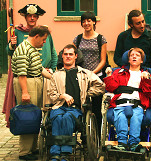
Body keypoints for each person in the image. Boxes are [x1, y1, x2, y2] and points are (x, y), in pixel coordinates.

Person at [3, 4, 58, 127]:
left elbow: (53, 53)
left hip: (43, 74)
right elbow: (10, 52)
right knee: (29, 111)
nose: (32, 18)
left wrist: (53, 70)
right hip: (27, 78)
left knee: (42, 107)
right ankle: (28, 134)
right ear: (25, 17)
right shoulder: (18, 31)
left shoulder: (44, 32)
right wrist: (12, 45)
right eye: (29, 16)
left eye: (34, 16)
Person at [48, 44, 105, 161]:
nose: (68, 56)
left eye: (70, 54)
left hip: (75, 109)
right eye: (65, 54)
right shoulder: (55, 75)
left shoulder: (85, 73)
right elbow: (51, 95)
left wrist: (87, 93)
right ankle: (55, 153)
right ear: (62, 57)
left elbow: (101, 86)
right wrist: (62, 96)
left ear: (75, 56)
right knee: (58, 117)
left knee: (68, 117)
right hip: (59, 106)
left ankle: (65, 152)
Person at [104, 48, 151, 152]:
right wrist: (109, 76)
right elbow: (111, 88)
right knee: (120, 117)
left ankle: (133, 143)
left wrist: (147, 79)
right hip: (120, 103)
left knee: (136, 117)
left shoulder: (146, 74)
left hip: (137, 104)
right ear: (128, 60)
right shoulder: (119, 72)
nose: (134, 56)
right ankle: (122, 142)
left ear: (141, 60)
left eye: (137, 55)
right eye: (132, 55)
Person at [11, 25, 52, 160]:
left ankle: (32, 147)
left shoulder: (32, 48)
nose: (44, 42)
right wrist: (25, 92)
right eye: (44, 39)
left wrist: (53, 77)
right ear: (36, 36)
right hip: (27, 83)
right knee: (27, 116)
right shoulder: (23, 49)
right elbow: (22, 74)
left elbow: (39, 68)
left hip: (34, 82)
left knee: (35, 116)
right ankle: (25, 152)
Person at [72, 11, 107, 136]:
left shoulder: (100, 38)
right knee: (82, 105)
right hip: (81, 77)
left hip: (96, 76)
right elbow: (73, 58)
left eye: (89, 20)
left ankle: (97, 136)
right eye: (84, 21)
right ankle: (85, 135)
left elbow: (103, 60)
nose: (86, 23)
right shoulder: (77, 39)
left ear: (94, 22)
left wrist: (92, 73)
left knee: (97, 107)